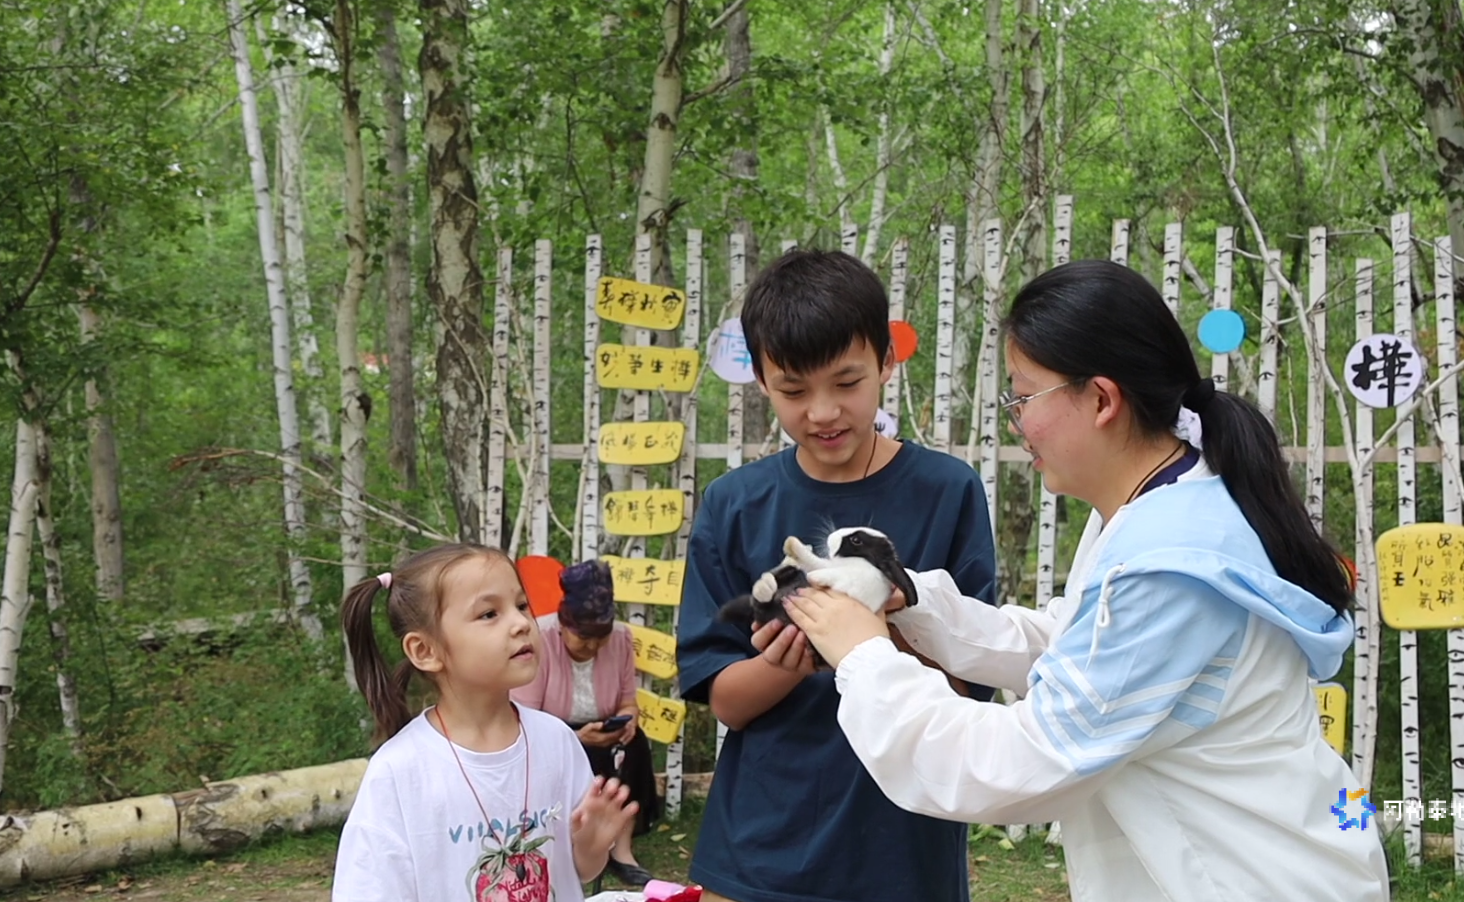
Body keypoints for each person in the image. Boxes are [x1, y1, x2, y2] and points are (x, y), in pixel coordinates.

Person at [786, 260, 1392, 901]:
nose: (1016, 422)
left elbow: (1025, 762)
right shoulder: (1155, 506)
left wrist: (865, 656)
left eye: (1023, 398)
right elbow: (1071, 646)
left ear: (1102, 399)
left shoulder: (1170, 565)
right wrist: (913, 599)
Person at [677, 249, 999, 902]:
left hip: (904, 852)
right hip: (759, 852)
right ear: (761, 381)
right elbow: (726, 701)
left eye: (846, 382)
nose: (822, 412)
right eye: (794, 390)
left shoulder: (948, 491)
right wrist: (788, 661)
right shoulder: (734, 504)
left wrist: (871, 637)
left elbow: (970, 688)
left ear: (886, 362)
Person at [332, 543, 639, 902]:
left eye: (521, 605)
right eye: (489, 613)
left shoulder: (557, 741)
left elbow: (581, 872)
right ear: (425, 651)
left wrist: (591, 846)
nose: (521, 623)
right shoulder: (399, 772)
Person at [512, 559, 660, 888]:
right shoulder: (538, 637)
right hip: (550, 729)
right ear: (564, 625)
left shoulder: (620, 638)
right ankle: (570, 842)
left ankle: (621, 850)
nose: (593, 646)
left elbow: (627, 699)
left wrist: (629, 720)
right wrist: (577, 737)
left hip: (604, 726)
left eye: (600, 638)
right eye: (584, 637)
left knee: (634, 744)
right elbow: (524, 717)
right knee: (583, 755)